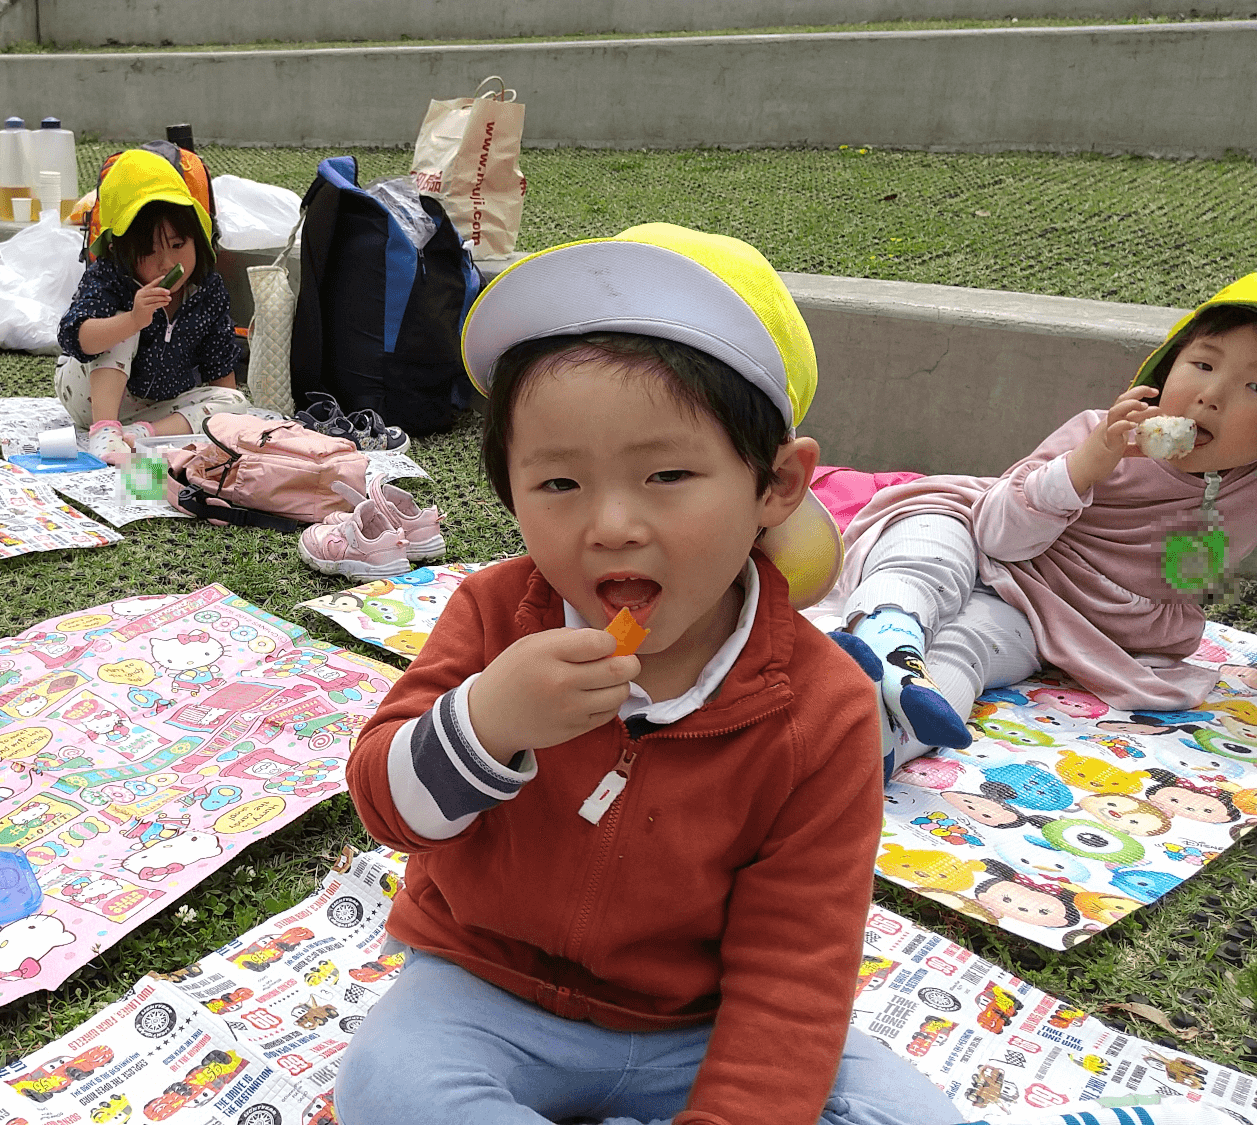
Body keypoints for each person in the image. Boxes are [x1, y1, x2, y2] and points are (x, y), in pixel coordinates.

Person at [336, 224, 960, 1125]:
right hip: (488, 993)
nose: (613, 525)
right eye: (558, 484)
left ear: (776, 486)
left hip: (697, 1025)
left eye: (667, 473)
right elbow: (384, 807)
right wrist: (485, 720)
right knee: (389, 1085)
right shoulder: (492, 613)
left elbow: (794, 969)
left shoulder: (823, 710)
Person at [828, 274, 1257, 771]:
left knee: (968, 647)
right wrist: (1084, 467)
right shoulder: (1102, 435)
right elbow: (998, 535)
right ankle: (890, 639)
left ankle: (879, 748)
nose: (1210, 395)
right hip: (981, 534)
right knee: (926, 550)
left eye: (1255, 385)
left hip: (1051, 618)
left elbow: (1187, 580)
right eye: (1202, 364)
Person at [56, 145, 245, 466]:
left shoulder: (207, 287)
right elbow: (76, 339)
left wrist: (232, 424)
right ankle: (104, 432)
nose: (167, 263)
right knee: (120, 325)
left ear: (197, 238)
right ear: (120, 251)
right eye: (150, 251)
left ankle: (143, 434)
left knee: (236, 403)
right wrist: (133, 319)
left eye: (178, 245)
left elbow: (219, 362)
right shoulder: (109, 276)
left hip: (159, 404)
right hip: (89, 395)